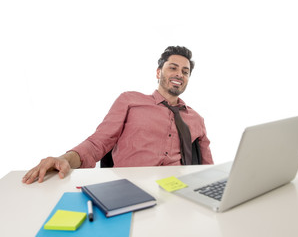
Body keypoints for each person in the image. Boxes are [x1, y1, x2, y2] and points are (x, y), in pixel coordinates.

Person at [22, 46, 213, 184]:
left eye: (185, 71)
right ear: (158, 72)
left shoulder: (196, 119)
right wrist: (65, 158)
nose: (179, 74)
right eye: (173, 67)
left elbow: (208, 169)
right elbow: (98, 143)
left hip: (178, 192)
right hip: (130, 187)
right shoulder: (130, 101)